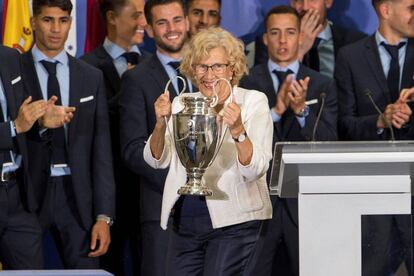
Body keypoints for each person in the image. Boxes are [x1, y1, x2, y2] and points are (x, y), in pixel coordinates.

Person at [143, 26, 273, 276]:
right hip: (186, 219)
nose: (208, 74)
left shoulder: (253, 102)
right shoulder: (183, 102)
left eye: (217, 66)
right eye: (202, 66)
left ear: (232, 68)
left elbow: (255, 168)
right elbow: (157, 160)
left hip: (235, 221)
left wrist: (238, 130)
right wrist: (160, 123)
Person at [240, 6, 337, 276]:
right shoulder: (247, 82)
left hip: (305, 201)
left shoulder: (322, 83)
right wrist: (276, 112)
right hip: (258, 201)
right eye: (275, 33)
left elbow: (329, 140)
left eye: (290, 32)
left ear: (300, 37)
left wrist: (302, 112)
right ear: (265, 39)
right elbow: (239, 139)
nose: (283, 41)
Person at [22, 0, 115, 268]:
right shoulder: (14, 70)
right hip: (26, 198)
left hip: (78, 198)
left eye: (63, 20)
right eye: (47, 20)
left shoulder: (90, 76)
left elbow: (102, 152)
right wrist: (39, 122)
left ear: (71, 23)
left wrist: (104, 216)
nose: (55, 29)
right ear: (33, 23)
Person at [335, 0, 414, 274]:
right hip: (371, 190)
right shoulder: (350, 56)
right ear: (386, 10)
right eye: (411, 7)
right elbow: (343, 125)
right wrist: (380, 120)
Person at [119, 0, 192, 275]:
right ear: (148, 29)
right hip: (163, 210)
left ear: (186, 21)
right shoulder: (136, 80)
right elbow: (132, 150)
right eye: (162, 23)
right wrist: (181, 180)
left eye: (176, 20)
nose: (171, 29)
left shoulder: (208, 73)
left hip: (213, 210)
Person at [80, 0, 149, 274]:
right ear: (111, 17)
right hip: (107, 195)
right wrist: (129, 88)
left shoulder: (153, 66)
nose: (144, 22)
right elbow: (89, 126)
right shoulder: (85, 67)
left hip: (147, 192)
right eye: (136, 15)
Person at [0, 45, 73, 270]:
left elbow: (22, 117)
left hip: (16, 193)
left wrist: (40, 122)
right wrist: (13, 128)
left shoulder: (10, 57)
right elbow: (16, 125)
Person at [255, 0, 365, 77]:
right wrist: (299, 48)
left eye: (312, 0)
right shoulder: (269, 43)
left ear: (328, 1)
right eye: (298, 0)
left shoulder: (356, 43)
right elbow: (266, 92)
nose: (305, 7)